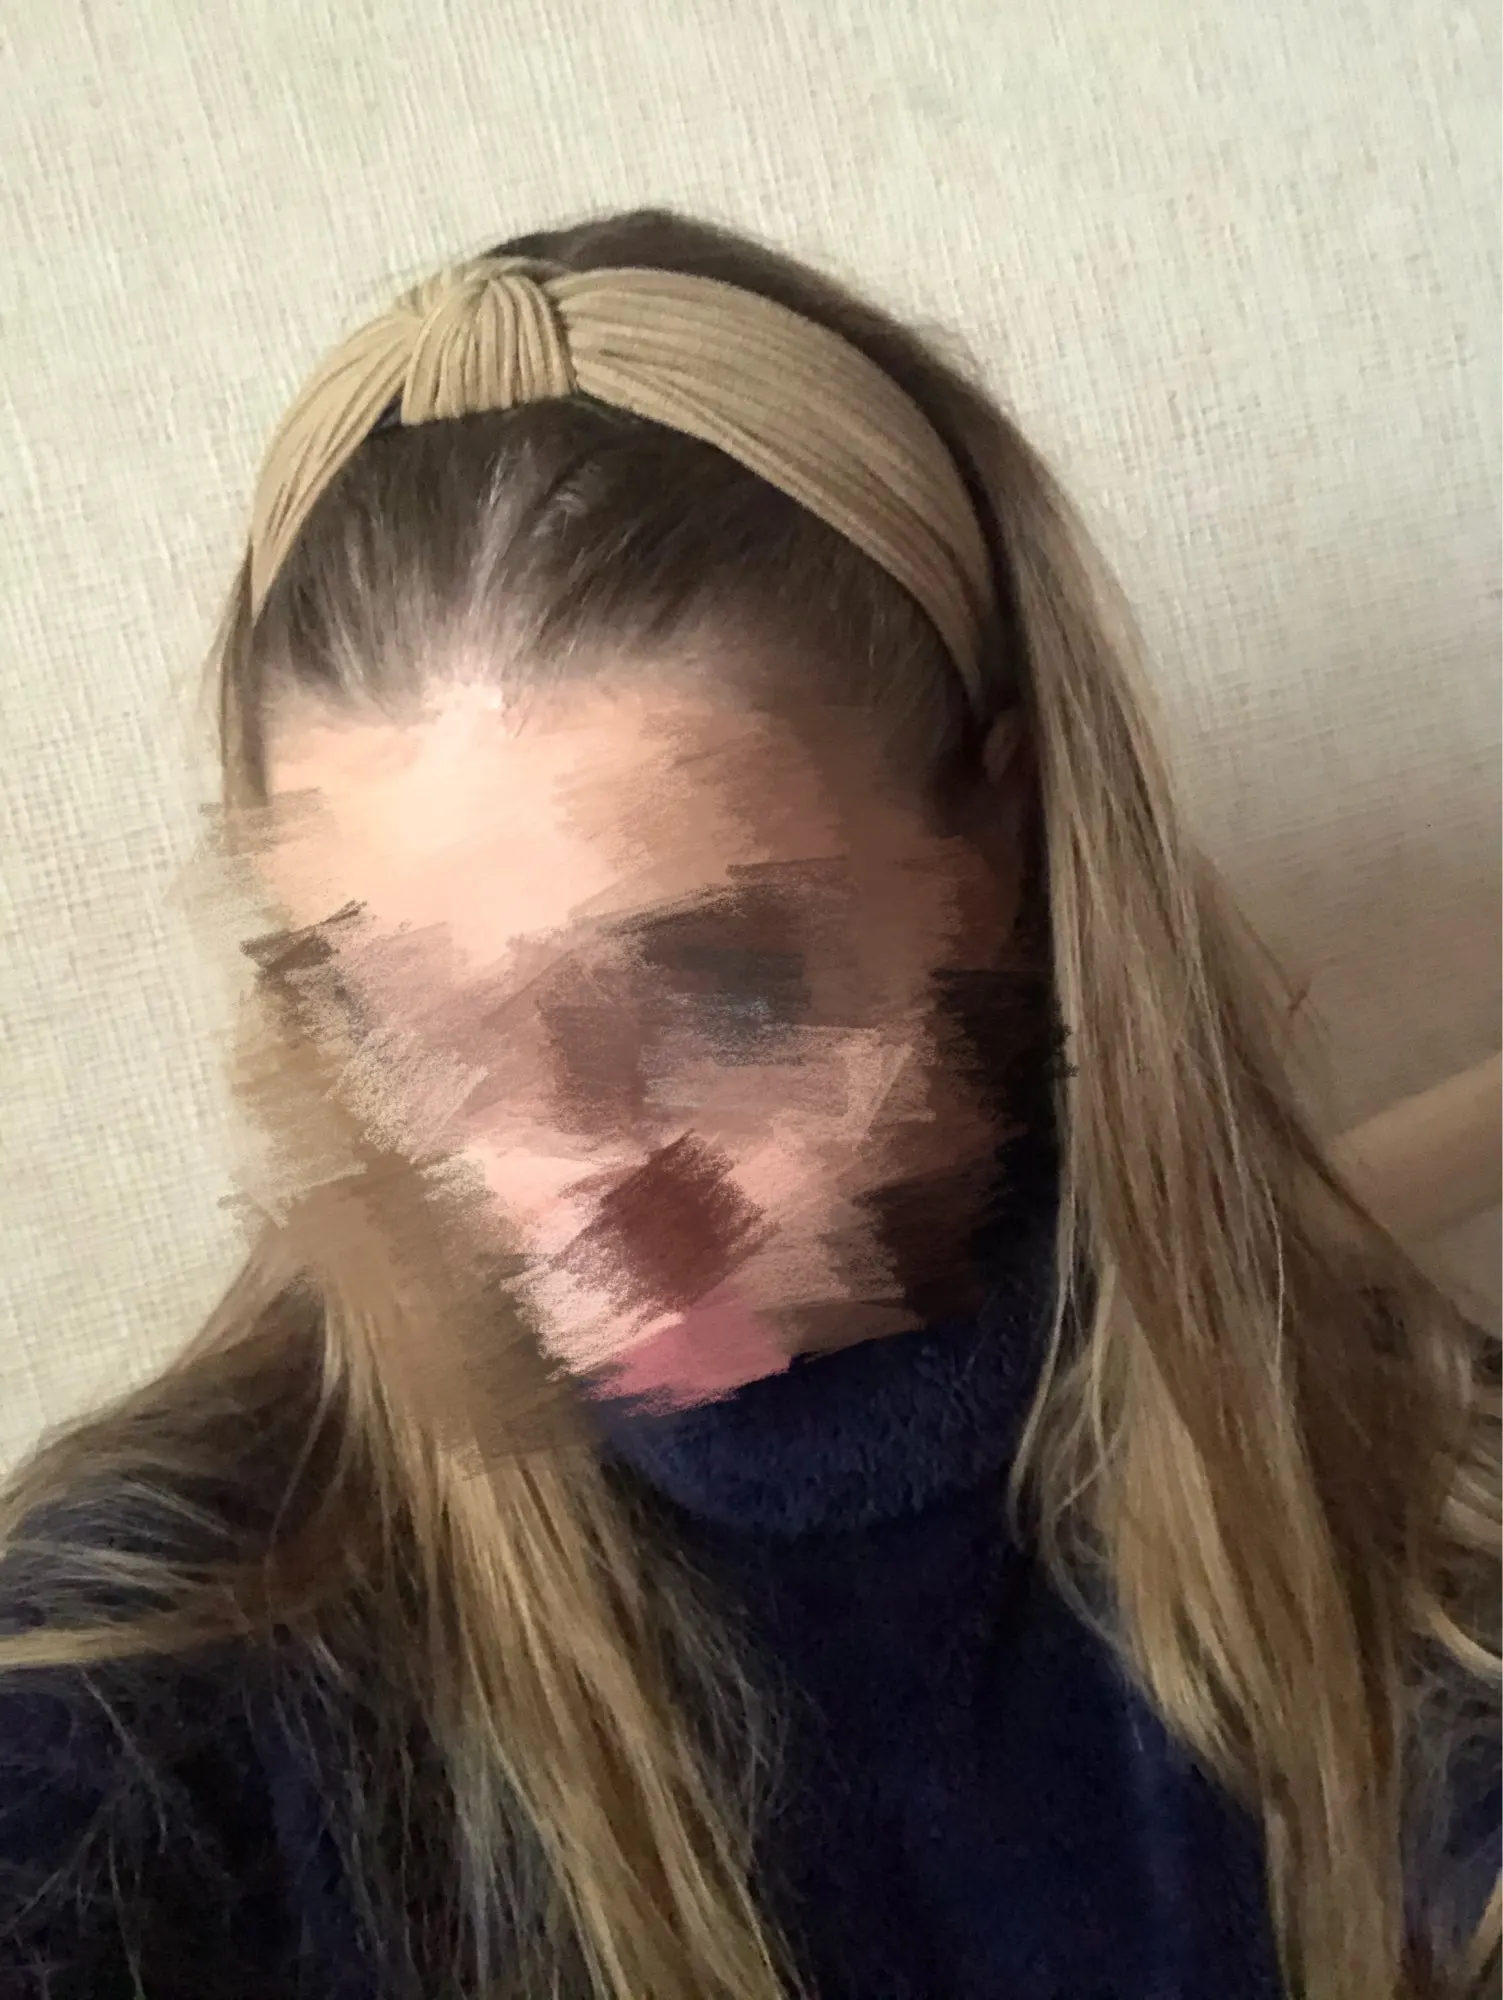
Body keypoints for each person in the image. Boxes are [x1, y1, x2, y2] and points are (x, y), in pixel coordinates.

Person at [0, 207, 1495, 2000]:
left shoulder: (1404, 1504)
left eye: (717, 994)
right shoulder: (177, 1640)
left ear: (1005, 854)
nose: (562, 1196)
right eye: (407, 1026)